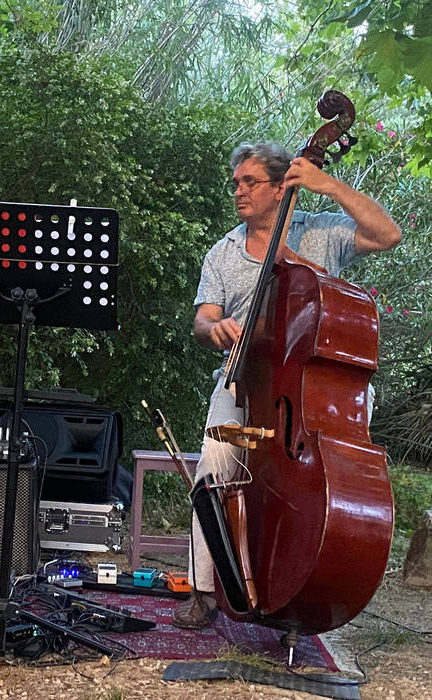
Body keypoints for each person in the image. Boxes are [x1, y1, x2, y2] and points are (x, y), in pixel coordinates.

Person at [173, 141, 401, 628]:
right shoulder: (224, 251)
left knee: (318, 483)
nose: (239, 191)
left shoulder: (321, 232)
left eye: (250, 182)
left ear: (281, 187)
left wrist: (328, 185)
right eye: (236, 183)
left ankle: (305, 581)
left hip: (314, 393)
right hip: (243, 383)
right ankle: (205, 591)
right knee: (213, 464)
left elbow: (388, 234)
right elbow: (202, 321)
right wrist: (214, 329)